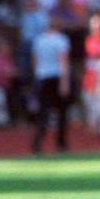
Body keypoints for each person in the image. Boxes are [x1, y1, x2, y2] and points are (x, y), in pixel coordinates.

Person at [30, 10, 72, 152]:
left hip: (42, 77)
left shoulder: (39, 40)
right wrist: (65, 82)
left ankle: (37, 144)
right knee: (61, 113)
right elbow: (63, 61)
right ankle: (61, 144)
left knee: (43, 113)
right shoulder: (61, 40)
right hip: (57, 77)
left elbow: (35, 61)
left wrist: (37, 77)